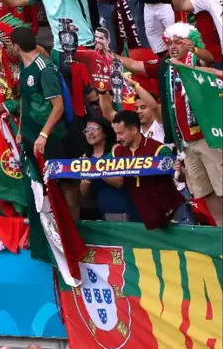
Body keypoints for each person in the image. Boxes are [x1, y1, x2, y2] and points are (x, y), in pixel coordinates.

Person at [118, 23, 222, 224]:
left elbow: (209, 58)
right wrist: (108, 55)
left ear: (188, 43)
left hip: (206, 137)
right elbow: (133, 65)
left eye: (178, 42)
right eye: (169, 42)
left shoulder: (196, 60)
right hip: (185, 142)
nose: (172, 46)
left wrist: (195, 49)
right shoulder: (166, 65)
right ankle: (220, 234)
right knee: (205, 192)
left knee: (221, 189)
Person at [110, 110, 186, 229]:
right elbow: (104, 170)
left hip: (173, 213)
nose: (117, 138)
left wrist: (180, 172)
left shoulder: (159, 150)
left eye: (120, 133)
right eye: (116, 133)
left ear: (134, 130)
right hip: (144, 215)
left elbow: (181, 178)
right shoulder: (117, 152)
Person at [11, 26, 66, 160]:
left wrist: (43, 135)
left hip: (48, 137)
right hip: (29, 134)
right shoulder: (23, 66)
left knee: (52, 179)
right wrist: (21, 130)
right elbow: (25, 98)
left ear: (16, 46)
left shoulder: (45, 69)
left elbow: (58, 107)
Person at [80, 115, 137, 221]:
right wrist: (88, 176)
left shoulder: (116, 151)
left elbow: (119, 182)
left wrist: (94, 168)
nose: (90, 133)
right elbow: (84, 194)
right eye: (87, 130)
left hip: (122, 208)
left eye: (94, 129)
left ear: (105, 132)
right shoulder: (86, 158)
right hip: (101, 213)